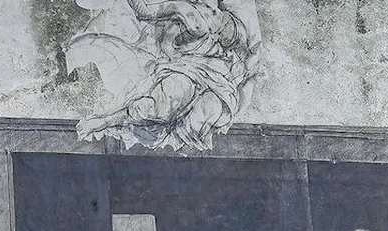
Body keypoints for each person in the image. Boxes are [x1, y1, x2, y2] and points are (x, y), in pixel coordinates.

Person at [76, 0, 256, 150]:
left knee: (204, 116)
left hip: (215, 74)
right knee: (161, 104)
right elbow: (146, 12)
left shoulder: (221, 18)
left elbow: (243, 48)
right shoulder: (183, 9)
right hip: (186, 68)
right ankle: (107, 120)